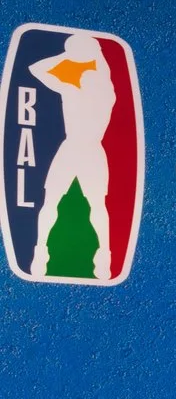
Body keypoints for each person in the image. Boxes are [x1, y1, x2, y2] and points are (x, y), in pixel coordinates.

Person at [31, 34, 117, 280]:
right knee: (52, 202)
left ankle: (104, 256)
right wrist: (76, 54)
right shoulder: (78, 88)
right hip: (73, 149)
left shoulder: (98, 93)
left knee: (96, 205)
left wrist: (81, 54)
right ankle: (41, 252)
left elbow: (38, 69)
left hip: (88, 150)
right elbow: (35, 69)